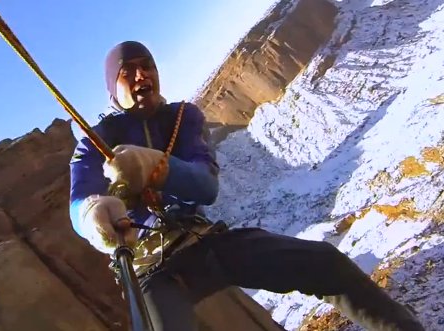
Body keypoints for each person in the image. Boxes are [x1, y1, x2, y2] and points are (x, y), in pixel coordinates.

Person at [68, 41, 424, 331]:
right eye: (127, 71)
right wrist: (92, 213)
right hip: (151, 268)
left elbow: (205, 186)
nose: (141, 74)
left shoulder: (182, 117)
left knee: (324, 262)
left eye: (147, 65)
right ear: (112, 87)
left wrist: (155, 166)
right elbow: (81, 197)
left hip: (203, 240)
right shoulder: (97, 140)